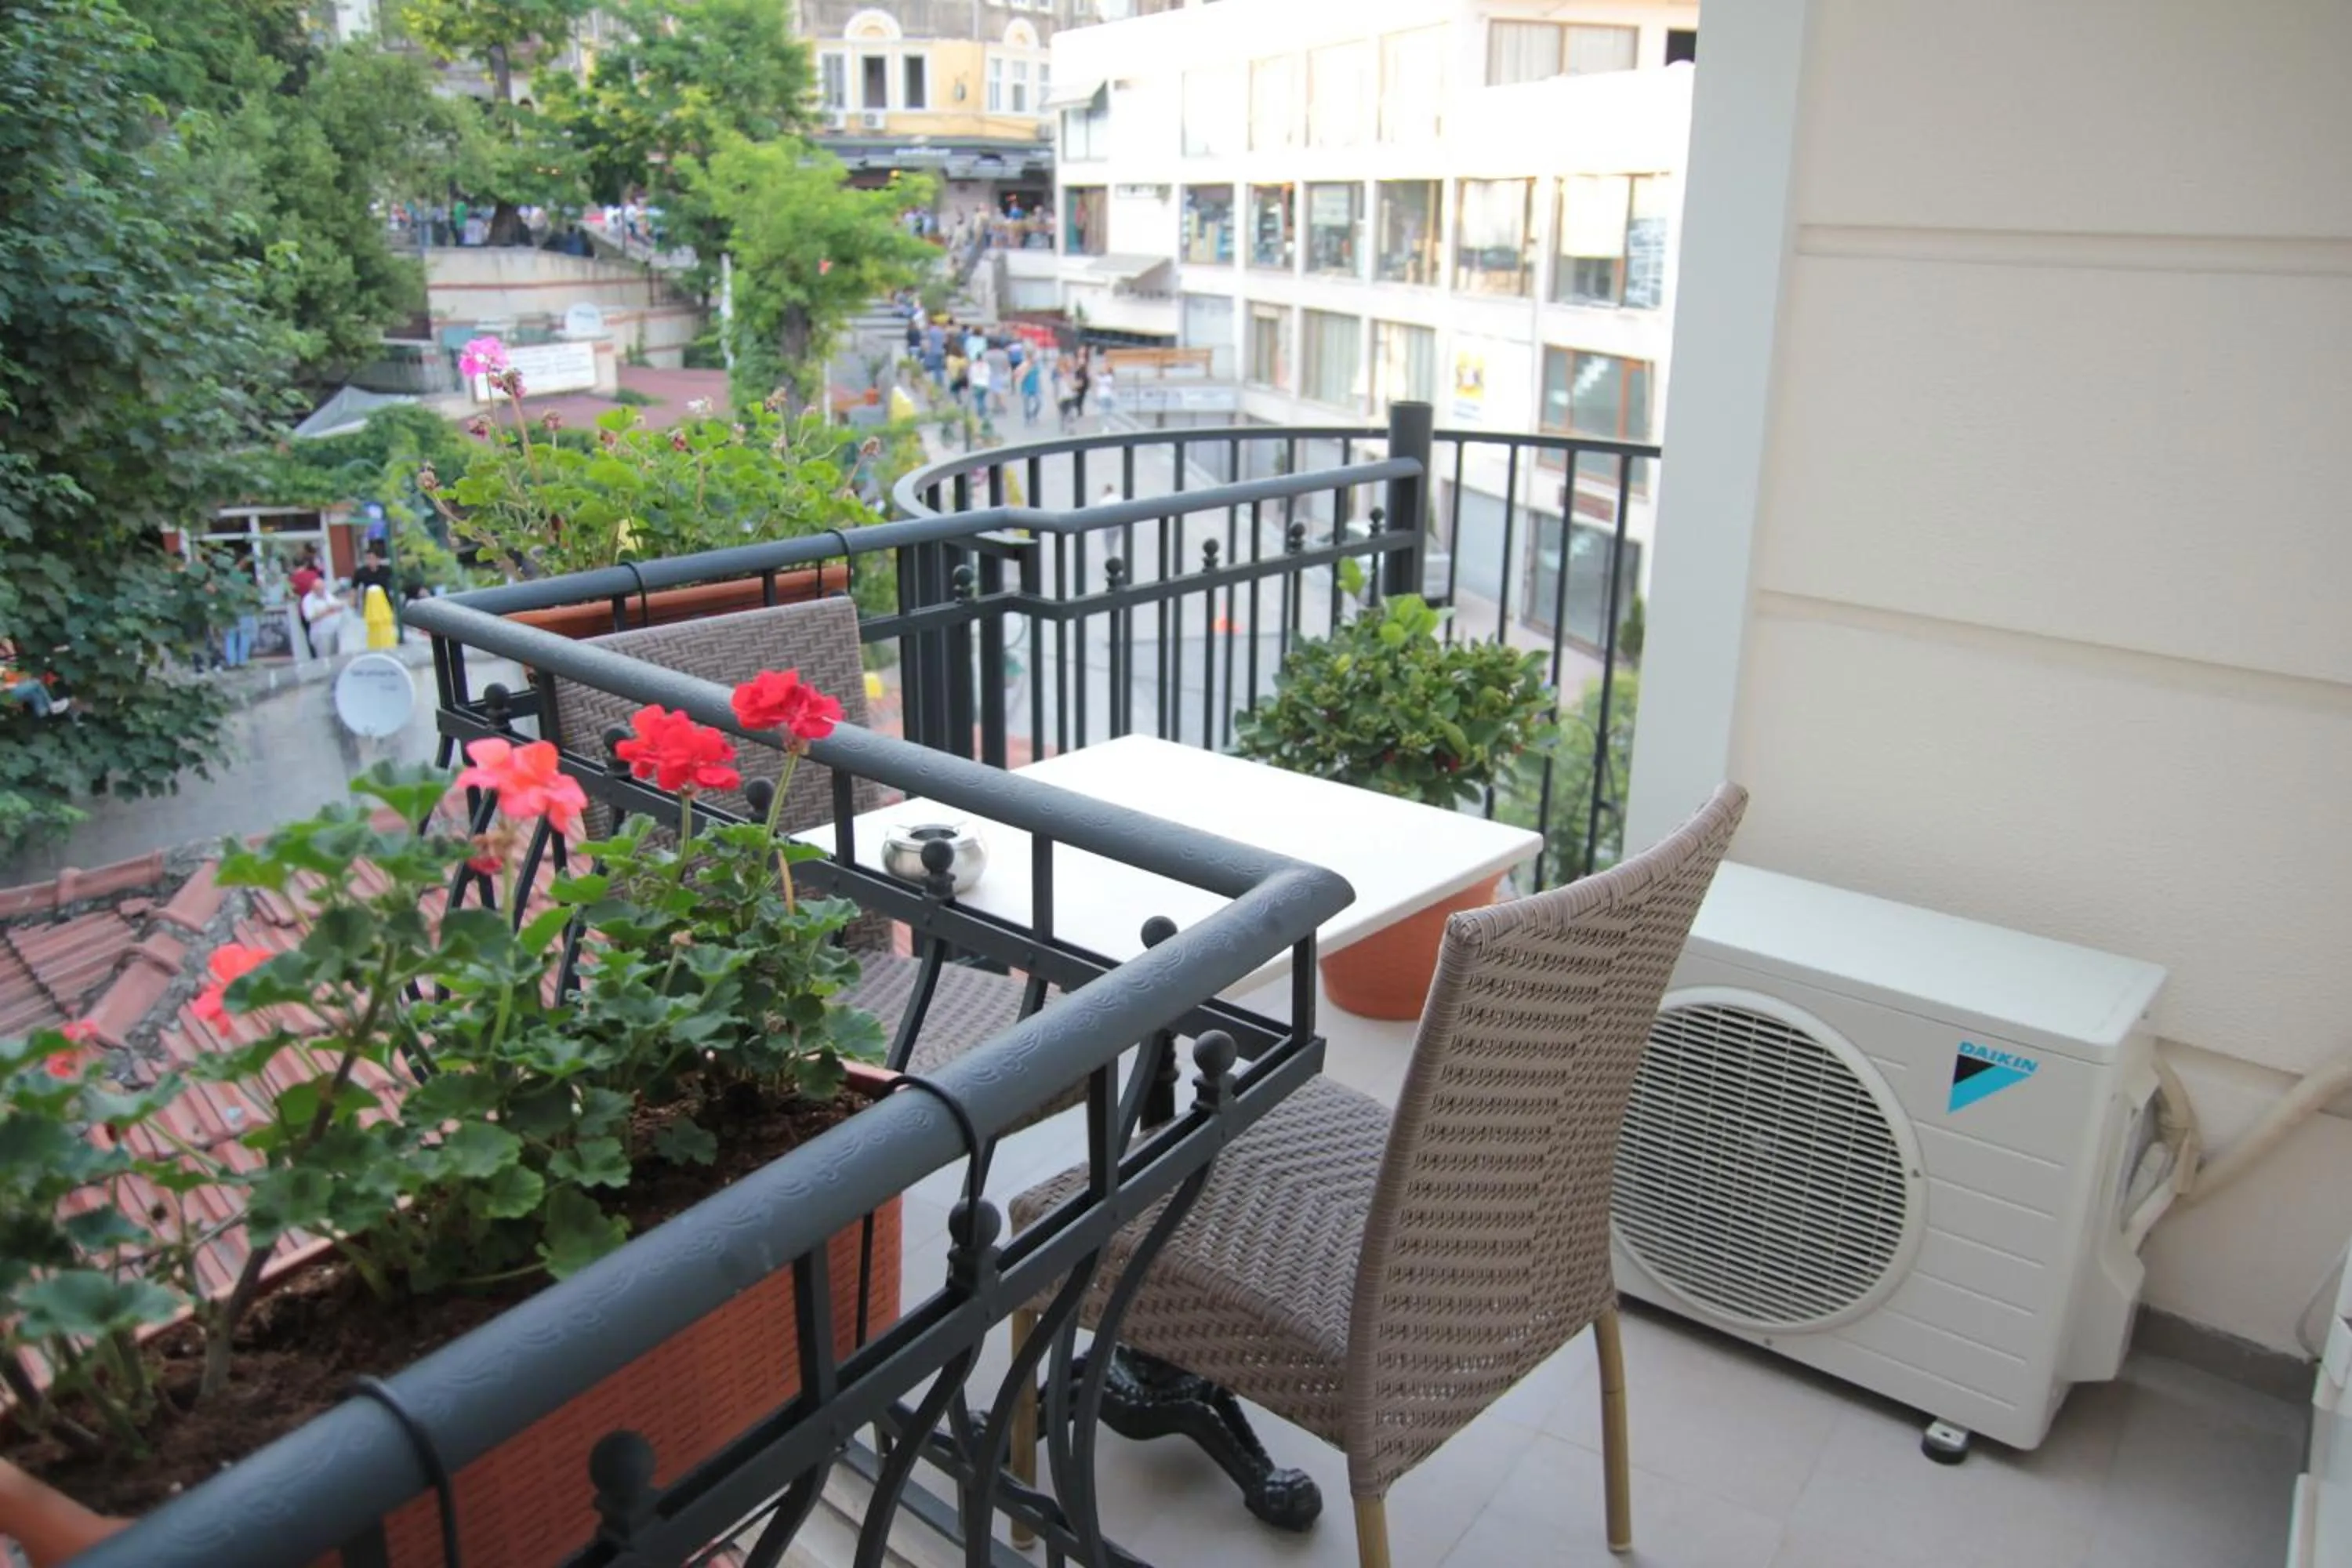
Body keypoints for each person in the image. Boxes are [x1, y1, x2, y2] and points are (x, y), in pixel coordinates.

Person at [299, 575, 348, 659]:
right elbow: (310, 617)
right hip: (321, 634)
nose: (322, 591)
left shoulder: (327, 595)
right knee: (324, 659)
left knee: (335, 658)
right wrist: (326, 611)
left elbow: (336, 604)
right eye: (320, 589)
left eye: (323, 588)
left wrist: (340, 606)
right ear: (314, 589)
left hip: (334, 631)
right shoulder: (308, 599)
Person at [1019, 355, 1044, 424]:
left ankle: (1034, 415)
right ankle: (1027, 418)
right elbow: (1020, 378)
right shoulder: (1024, 367)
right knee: (1026, 405)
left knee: (1039, 403)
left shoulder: (1036, 368)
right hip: (1026, 389)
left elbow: (1039, 373)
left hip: (1035, 389)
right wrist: (1026, 371)